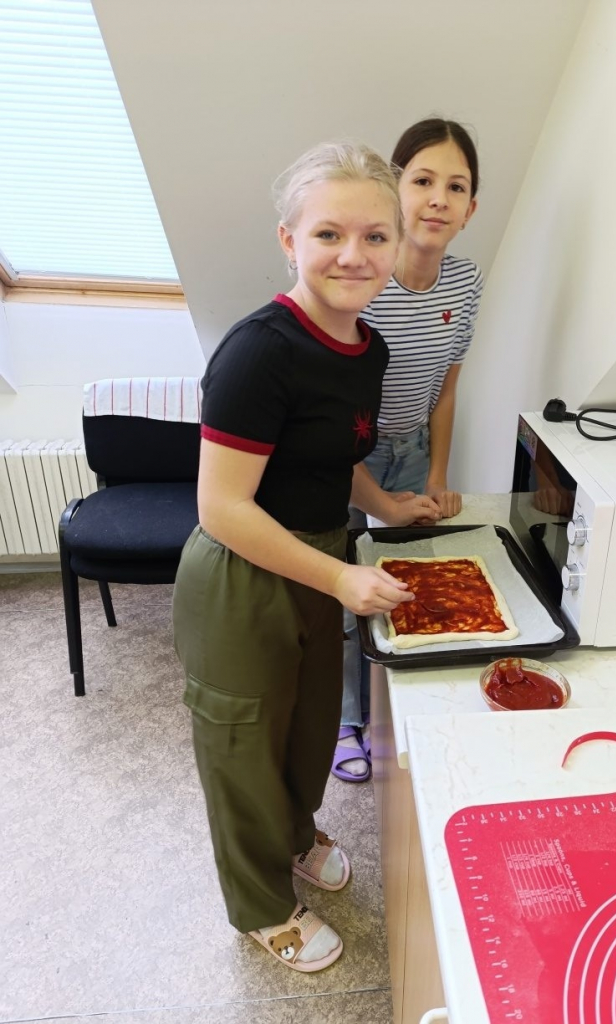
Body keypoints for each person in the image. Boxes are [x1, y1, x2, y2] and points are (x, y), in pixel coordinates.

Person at [172, 141, 441, 973]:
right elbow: (221, 507)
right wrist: (338, 576)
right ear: (289, 240)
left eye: (374, 236)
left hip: (322, 559)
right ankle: (260, 906)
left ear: (395, 245)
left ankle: (293, 835)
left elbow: (333, 455)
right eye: (328, 234)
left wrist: (386, 507)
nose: (352, 255)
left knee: (306, 727)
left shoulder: (369, 348)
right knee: (243, 749)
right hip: (242, 573)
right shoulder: (260, 351)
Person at [333, 118, 484, 782]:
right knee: (348, 592)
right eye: (423, 181)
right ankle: (347, 720)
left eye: (456, 187)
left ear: (470, 208)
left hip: (414, 447)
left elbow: (446, 391)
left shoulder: (465, 282)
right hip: (345, 456)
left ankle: (403, 717)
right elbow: (332, 420)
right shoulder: (364, 279)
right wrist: (378, 500)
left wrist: (438, 476)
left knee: (410, 585)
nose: (438, 200)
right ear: (394, 190)